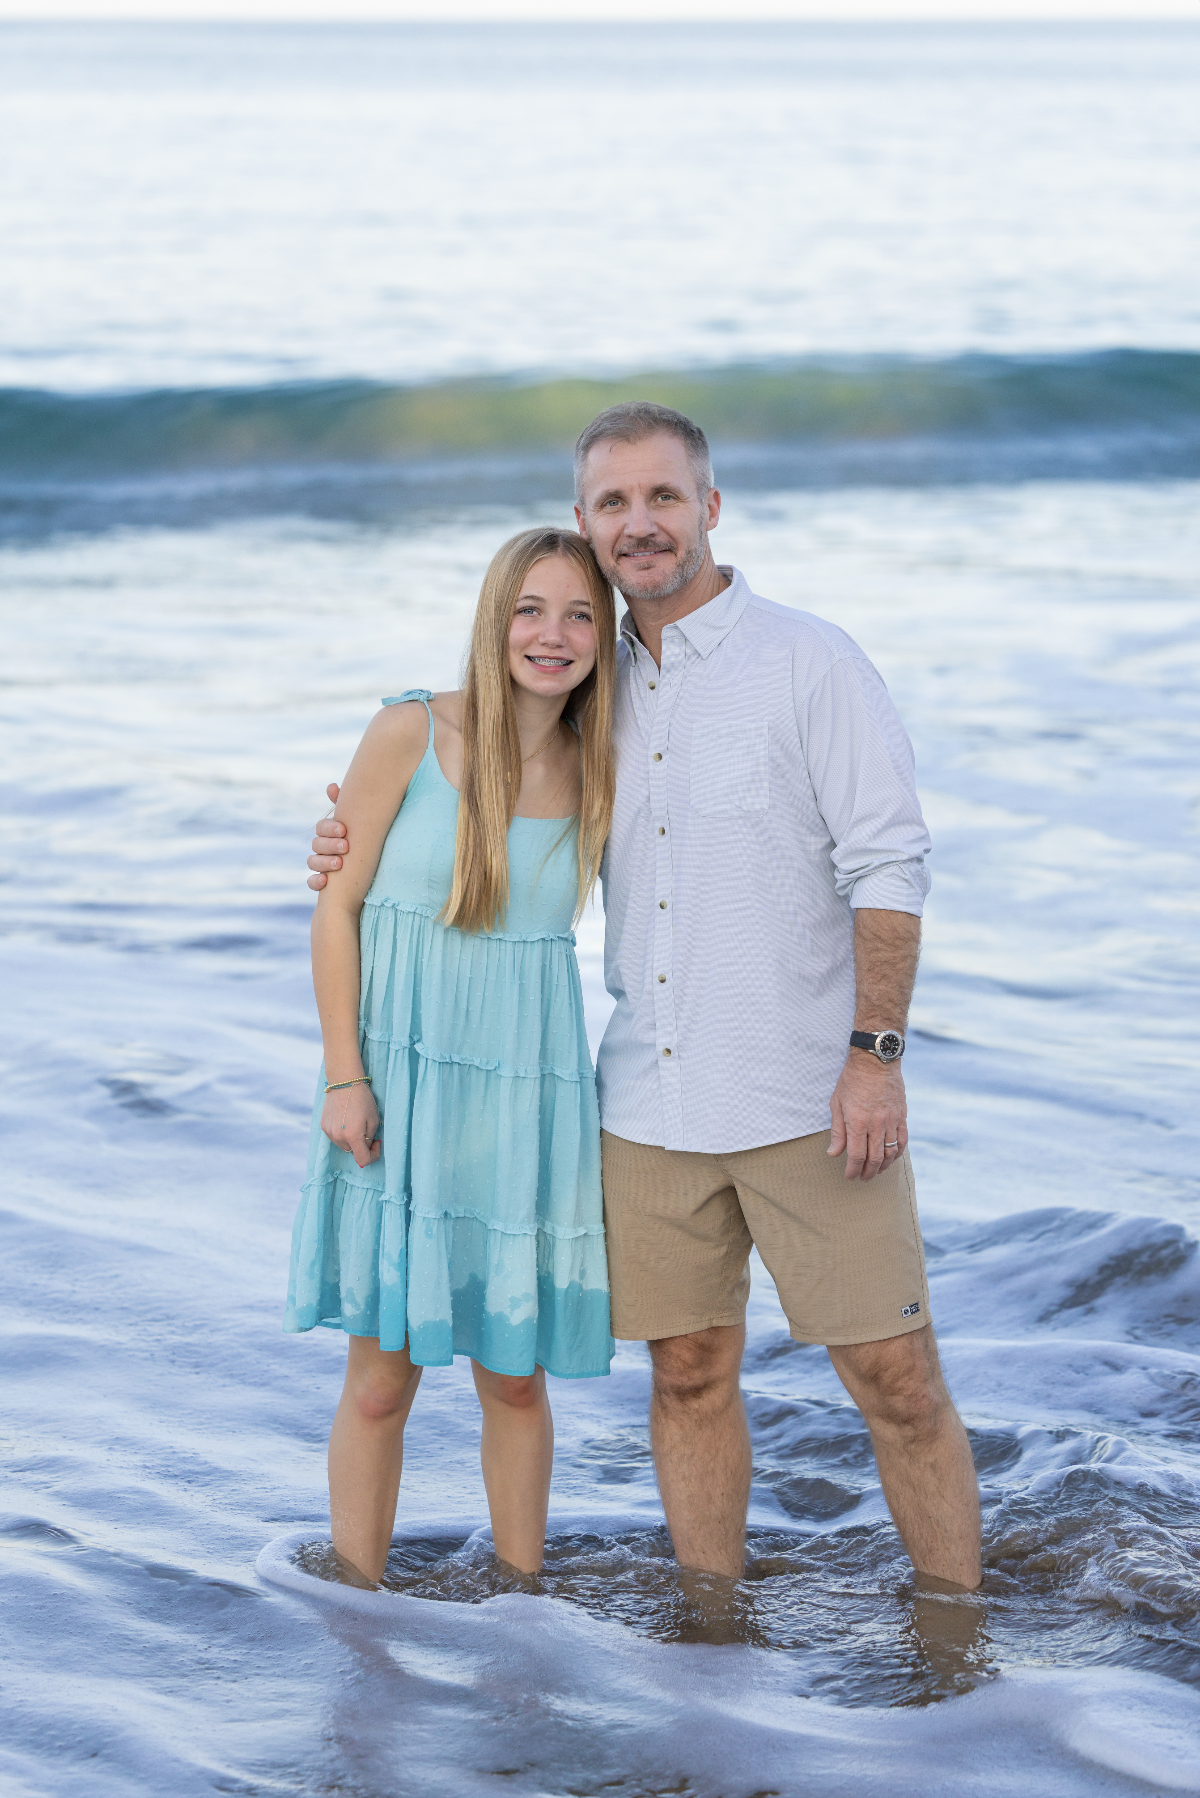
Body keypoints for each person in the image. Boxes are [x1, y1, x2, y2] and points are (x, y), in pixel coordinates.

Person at [310, 404, 982, 1594]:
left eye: (664, 497)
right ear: (584, 523)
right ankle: (712, 1635)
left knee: (897, 1380)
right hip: (648, 1107)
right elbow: (453, 811)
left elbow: (889, 862)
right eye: (614, 503)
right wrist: (348, 847)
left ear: (709, 509)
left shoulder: (806, 660)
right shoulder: (592, 696)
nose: (641, 524)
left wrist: (877, 1051)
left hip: (805, 1094)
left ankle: (959, 1636)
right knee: (685, 1372)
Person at [287, 525, 617, 1586]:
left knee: (514, 1382)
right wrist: (345, 1074)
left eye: (577, 614)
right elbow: (336, 909)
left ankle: (522, 1603)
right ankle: (354, 1601)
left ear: (605, 636)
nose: (552, 634)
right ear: (493, 617)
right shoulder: (411, 732)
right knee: (381, 1383)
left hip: (527, 1099)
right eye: (530, 609)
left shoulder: (603, 768)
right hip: (399, 1085)